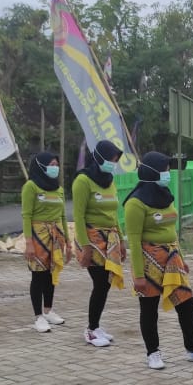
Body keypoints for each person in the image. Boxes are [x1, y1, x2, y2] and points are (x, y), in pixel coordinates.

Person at [124, 151, 193, 369]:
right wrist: (138, 275)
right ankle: (153, 353)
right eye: (164, 169)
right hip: (148, 259)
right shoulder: (135, 204)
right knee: (148, 307)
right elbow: (134, 241)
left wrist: (181, 258)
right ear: (152, 172)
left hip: (172, 258)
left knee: (186, 303)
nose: (168, 173)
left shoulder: (166, 196)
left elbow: (171, 231)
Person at [73, 140, 125, 348]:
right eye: (111, 160)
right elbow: (78, 216)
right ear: (100, 158)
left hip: (109, 239)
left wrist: (120, 241)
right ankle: (91, 330)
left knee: (105, 283)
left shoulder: (110, 181)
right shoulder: (83, 181)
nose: (113, 164)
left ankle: (95, 325)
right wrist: (85, 246)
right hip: (91, 239)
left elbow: (114, 214)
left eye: (116, 160)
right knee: (100, 282)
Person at [21, 152, 72, 333]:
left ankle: (48, 310)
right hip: (38, 236)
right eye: (51, 163)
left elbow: (63, 215)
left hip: (56, 236)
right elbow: (26, 215)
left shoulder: (58, 189)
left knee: (51, 274)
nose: (55, 167)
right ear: (41, 166)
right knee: (38, 275)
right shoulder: (31, 186)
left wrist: (68, 240)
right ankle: (38, 316)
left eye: (56, 164)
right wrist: (28, 242)